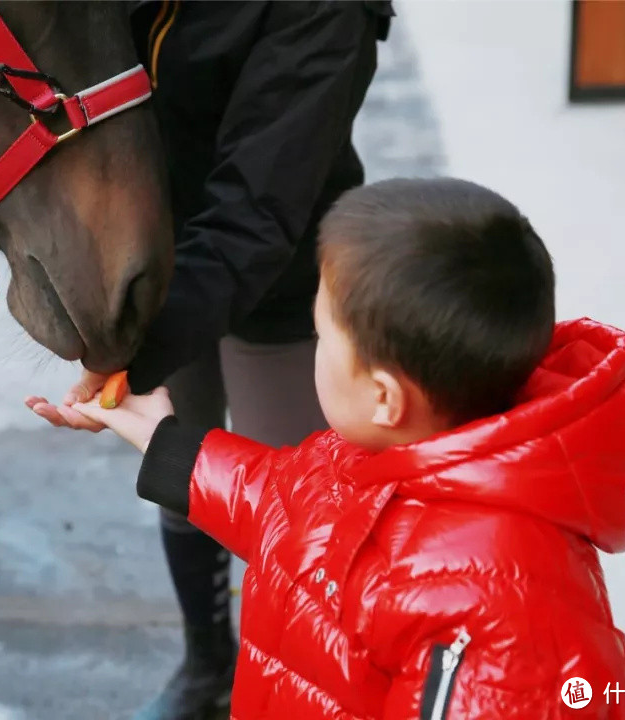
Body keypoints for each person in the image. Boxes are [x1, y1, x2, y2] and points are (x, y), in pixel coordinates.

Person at [64, 178, 625, 719]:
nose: (315, 348)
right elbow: (284, 507)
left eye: (322, 335)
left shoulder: (494, 620)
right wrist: (163, 442)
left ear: (385, 397)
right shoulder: (378, 454)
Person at [27, 3, 393, 717]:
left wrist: (131, 357)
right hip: (153, 259)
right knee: (184, 479)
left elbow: (259, 207)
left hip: (278, 274)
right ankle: (206, 665)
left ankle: (305, 692)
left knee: (295, 526)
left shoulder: (324, 11)